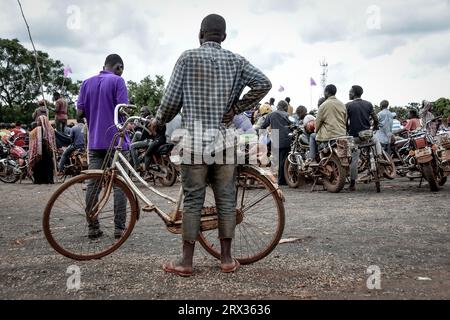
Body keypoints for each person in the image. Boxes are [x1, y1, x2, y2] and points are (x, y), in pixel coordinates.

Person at [150, 14, 271, 277]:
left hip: (194, 140)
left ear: (200, 34)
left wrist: (158, 120)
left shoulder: (187, 58)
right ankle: (227, 260)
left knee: (193, 200)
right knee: (226, 199)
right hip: (225, 141)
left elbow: (170, 101)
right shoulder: (237, 61)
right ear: (224, 36)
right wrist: (236, 107)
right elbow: (264, 83)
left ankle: (186, 262)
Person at [77, 53, 129, 240]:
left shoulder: (86, 83)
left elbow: (79, 112)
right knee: (119, 186)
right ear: (118, 67)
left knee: (93, 184)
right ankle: (119, 229)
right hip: (116, 143)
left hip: (95, 143)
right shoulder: (118, 81)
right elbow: (123, 110)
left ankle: (93, 227)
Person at [346, 85, 385, 191]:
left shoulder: (348, 105)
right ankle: (379, 157)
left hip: (355, 137)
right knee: (376, 140)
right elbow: (375, 119)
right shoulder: (368, 104)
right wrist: (375, 127)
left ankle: (352, 184)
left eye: (350, 92)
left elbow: (345, 122)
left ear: (354, 93)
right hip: (368, 136)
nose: (349, 93)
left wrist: (347, 130)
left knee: (354, 160)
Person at [307, 84, 347, 163]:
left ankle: (312, 159)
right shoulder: (342, 105)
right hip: (342, 135)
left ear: (327, 92)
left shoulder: (323, 105)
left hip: (329, 136)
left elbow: (317, 123)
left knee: (312, 136)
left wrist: (316, 131)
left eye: (324, 92)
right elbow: (345, 120)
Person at [260, 100, 291, 185]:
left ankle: (281, 179)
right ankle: (282, 180)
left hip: (275, 138)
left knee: (279, 160)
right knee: (283, 160)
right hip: (286, 139)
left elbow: (263, 126)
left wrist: (262, 137)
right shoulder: (287, 115)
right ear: (285, 107)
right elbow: (293, 125)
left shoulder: (271, 115)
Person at [28, 115, 56, 184]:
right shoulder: (50, 129)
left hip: (39, 152)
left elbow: (31, 135)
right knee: (47, 166)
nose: (37, 122)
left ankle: (39, 180)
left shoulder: (37, 129)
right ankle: (48, 180)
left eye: (39, 121)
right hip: (47, 151)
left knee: (39, 166)